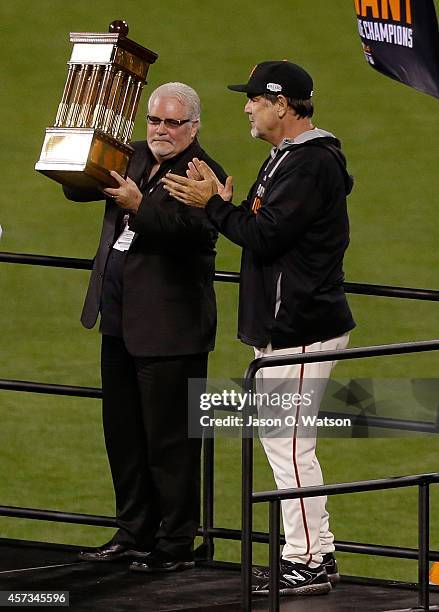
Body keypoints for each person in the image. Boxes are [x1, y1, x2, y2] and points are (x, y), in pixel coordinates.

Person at [162, 61, 356, 595]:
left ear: (282, 103)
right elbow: (253, 222)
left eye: (254, 99)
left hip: (303, 323)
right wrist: (220, 207)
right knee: (287, 441)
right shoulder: (287, 158)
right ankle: (316, 552)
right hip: (289, 322)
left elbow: (264, 234)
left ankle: (308, 560)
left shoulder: (309, 164)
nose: (246, 107)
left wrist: (216, 207)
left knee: (288, 443)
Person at [64, 82, 226, 572]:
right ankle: (134, 530)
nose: (160, 130)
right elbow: (77, 187)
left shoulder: (204, 172)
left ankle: (176, 541)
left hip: (170, 327)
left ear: (193, 127)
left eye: (172, 122)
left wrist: (139, 205)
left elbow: (198, 232)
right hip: (118, 319)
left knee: (170, 440)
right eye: (154, 120)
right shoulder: (132, 155)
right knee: (125, 433)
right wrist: (79, 144)